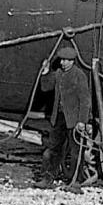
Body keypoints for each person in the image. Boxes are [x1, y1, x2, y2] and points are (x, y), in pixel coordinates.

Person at [40, 50, 93, 186]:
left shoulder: (79, 75)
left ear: (72, 61)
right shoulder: (58, 73)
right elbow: (46, 87)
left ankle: (76, 181)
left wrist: (82, 121)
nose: (62, 63)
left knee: (76, 152)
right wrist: (45, 72)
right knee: (53, 148)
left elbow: (85, 100)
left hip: (74, 120)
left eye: (65, 60)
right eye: (61, 60)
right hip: (59, 118)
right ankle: (48, 178)